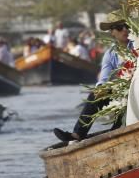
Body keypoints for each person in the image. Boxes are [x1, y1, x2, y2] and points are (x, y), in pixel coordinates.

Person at [52, 11, 133, 143]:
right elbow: (104, 78)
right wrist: (100, 89)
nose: (125, 30)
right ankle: (78, 134)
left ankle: (117, 130)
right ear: (112, 32)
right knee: (96, 94)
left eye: (126, 26)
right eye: (119, 27)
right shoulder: (110, 54)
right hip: (122, 90)